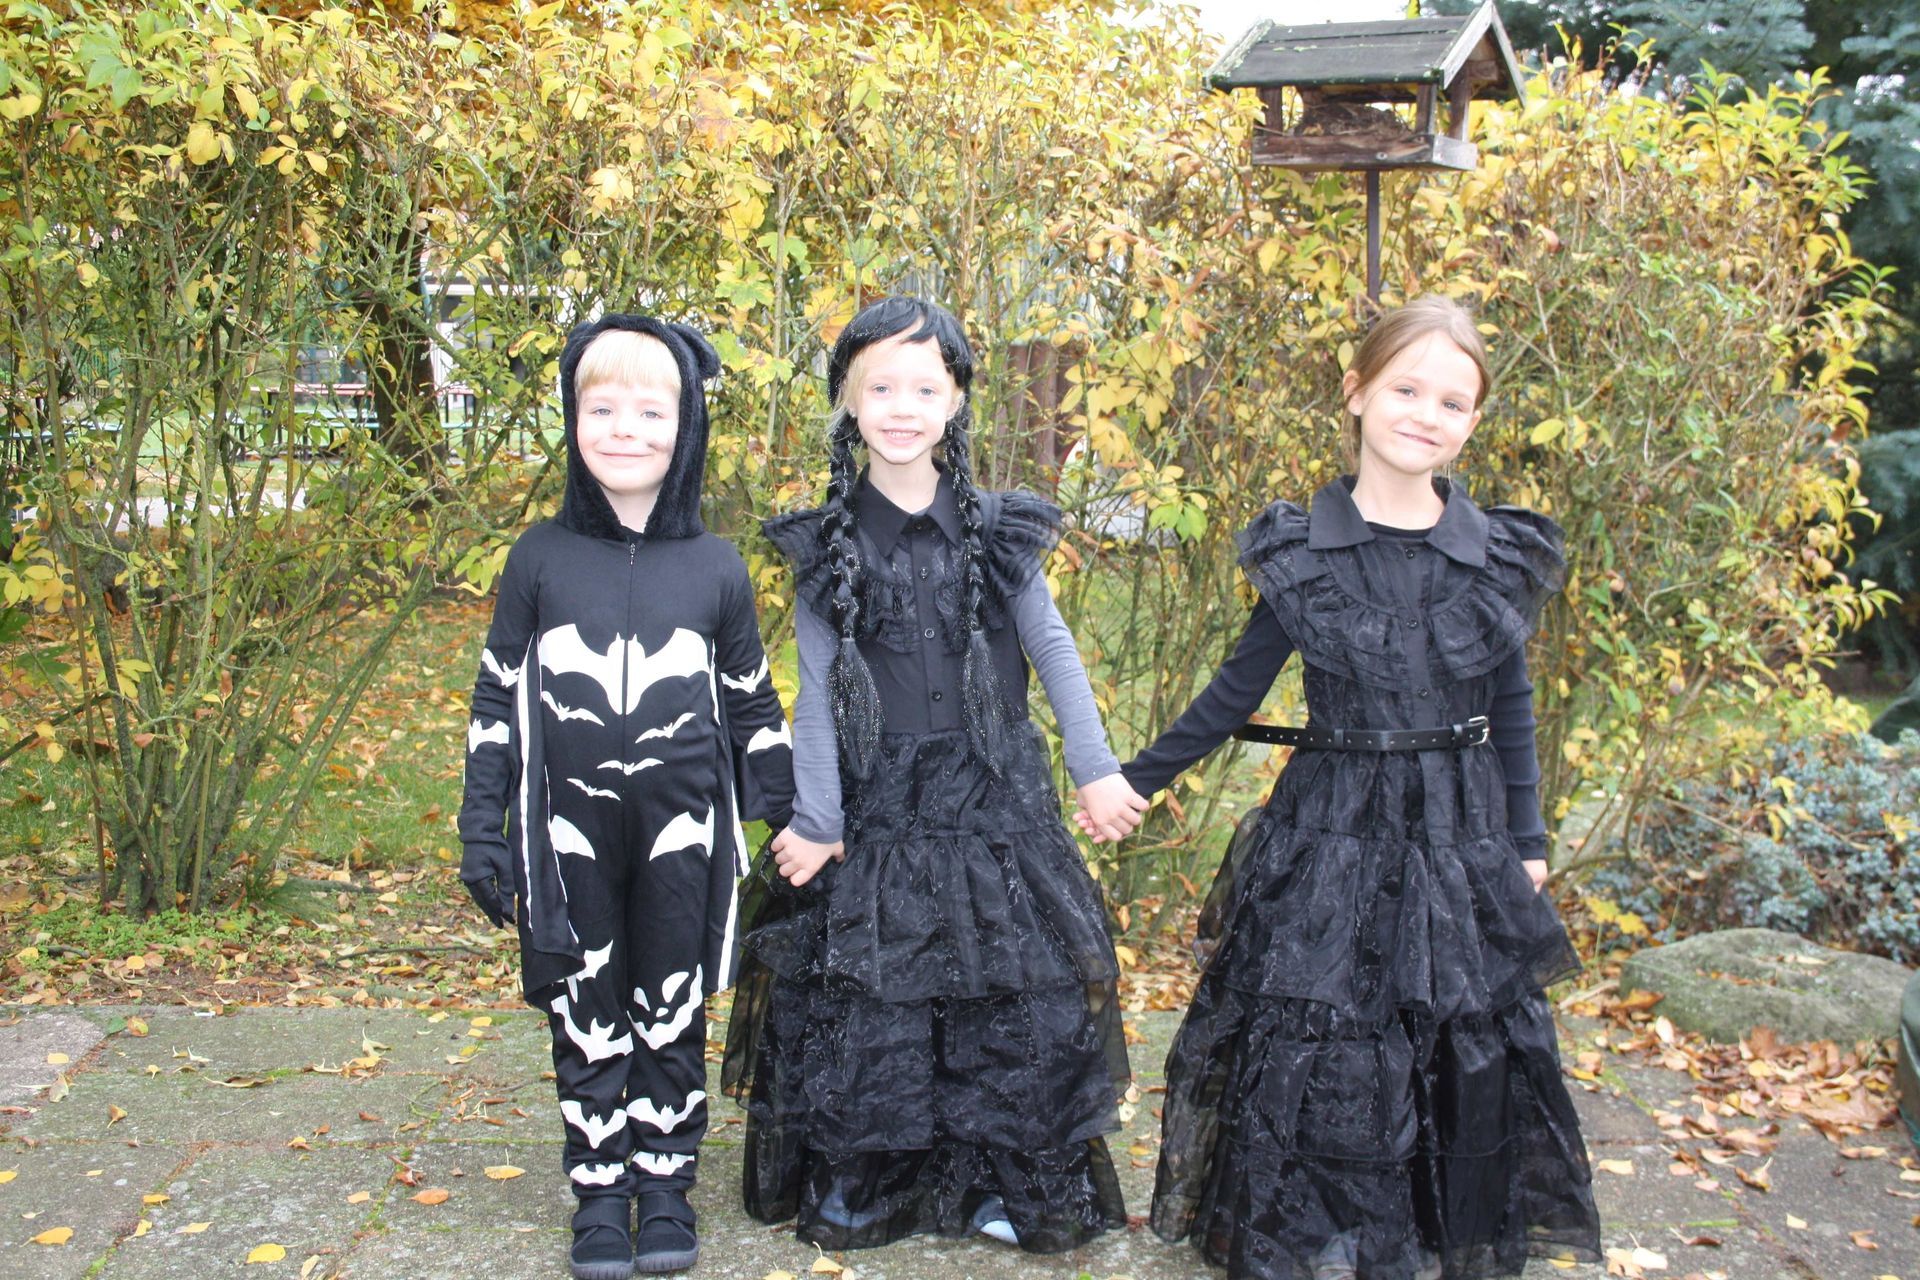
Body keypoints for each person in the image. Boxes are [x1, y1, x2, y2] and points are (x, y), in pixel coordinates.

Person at [1082, 295, 1602, 1278]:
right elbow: (1233, 691)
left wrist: (1528, 840)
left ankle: (1429, 1228)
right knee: (1331, 1033)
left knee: (1456, 1030)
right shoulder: (1305, 554)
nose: (1427, 412)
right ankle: (1319, 1231)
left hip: (1457, 835)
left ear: (1474, 421)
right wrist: (1130, 780)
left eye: (1454, 399)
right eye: (1406, 386)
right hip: (1335, 832)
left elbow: (1512, 705)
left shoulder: (1492, 558)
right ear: (1358, 391)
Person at [721, 295, 1149, 1254]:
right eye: (880, 386)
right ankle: (884, 1181)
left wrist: (1094, 770)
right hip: (880, 814)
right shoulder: (824, 544)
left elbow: (1054, 650)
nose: (902, 405)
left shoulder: (999, 534)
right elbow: (819, 689)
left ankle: (1003, 1180)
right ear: (848, 400)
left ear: (956, 398)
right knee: (887, 1000)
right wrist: (821, 817)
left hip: (996, 805)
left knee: (1007, 997)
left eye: (925, 385)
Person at [458, 314, 795, 1279]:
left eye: (650, 411)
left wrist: (793, 823)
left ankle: (664, 1182)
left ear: (684, 429)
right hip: (566, 840)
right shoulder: (539, 559)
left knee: (672, 1002)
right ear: (572, 420)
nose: (624, 429)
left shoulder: (717, 568)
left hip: (683, 837)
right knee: (587, 1003)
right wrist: (485, 830)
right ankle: (600, 1191)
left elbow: (753, 704)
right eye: (600, 408)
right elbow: (497, 700)